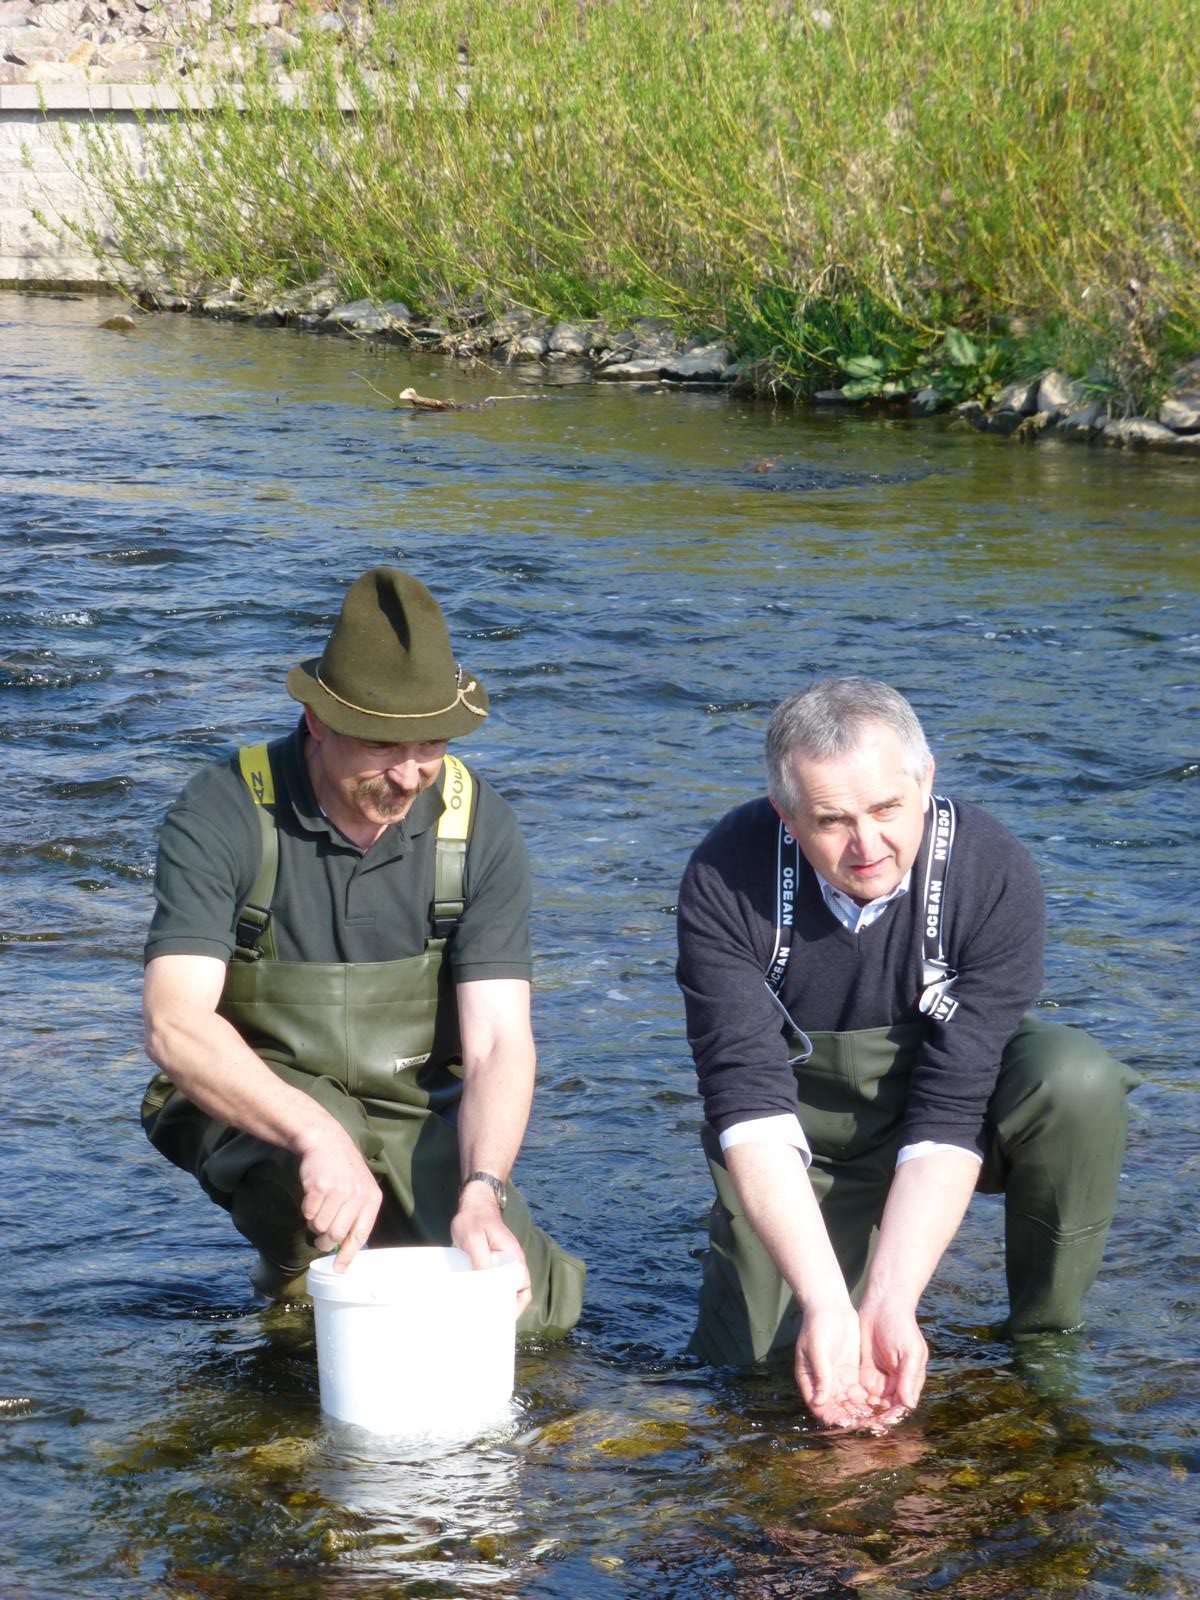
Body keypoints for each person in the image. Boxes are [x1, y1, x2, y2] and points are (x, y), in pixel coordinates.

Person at [676, 677, 1137, 1429]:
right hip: (800, 1135)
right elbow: (747, 1104)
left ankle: (1046, 1337)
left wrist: (891, 1303)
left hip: (942, 1111)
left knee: (1074, 1080)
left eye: (889, 808)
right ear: (785, 817)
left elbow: (951, 1106)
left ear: (926, 780)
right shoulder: (726, 876)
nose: (868, 846)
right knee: (750, 1375)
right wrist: (829, 1304)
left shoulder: (992, 871)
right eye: (832, 820)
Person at [140, 566, 584, 1337]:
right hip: (254, 1099)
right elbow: (175, 1025)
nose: (408, 773)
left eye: (431, 745)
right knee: (319, 1203)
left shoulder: (478, 825)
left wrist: (483, 1187)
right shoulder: (224, 809)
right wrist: (313, 1132)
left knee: (522, 1308)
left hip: (416, 1102)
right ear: (316, 722)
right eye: (382, 745)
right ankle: (290, 1299)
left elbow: (499, 1043)